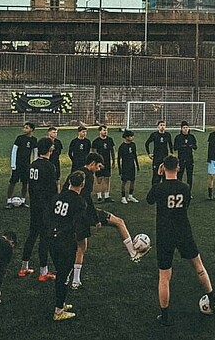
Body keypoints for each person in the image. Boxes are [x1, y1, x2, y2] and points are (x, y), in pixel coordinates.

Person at [147, 155, 215, 326]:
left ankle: (165, 317)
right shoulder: (185, 187)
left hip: (164, 234)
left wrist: (157, 176)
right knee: (198, 266)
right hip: (183, 231)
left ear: (163, 167)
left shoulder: (159, 188)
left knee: (164, 276)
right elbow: (186, 204)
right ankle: (212, 298)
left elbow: (149, 199)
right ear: (178, 168)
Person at [69, 152, 146, 289]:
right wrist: (95, 218)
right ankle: (133, 254)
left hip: (72, 214)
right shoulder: (88, 175)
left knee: (80, 246)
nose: (99, 169)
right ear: (92, 163)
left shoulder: (76, 173)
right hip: (85, 213)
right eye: (98, 166)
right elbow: (86, 198)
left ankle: (75, 280)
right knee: (119, 222)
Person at [45, 172, 88, 321]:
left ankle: (61, 303)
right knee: (63, 275)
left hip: (51, 238)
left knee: (61, 272)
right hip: (65, 241)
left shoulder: (57, 197)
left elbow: (47, 216)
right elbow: (79, 225)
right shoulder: (80, 202)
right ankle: (58, 311)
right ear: (82, 184)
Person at [19, 138, 58, 281]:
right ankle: (43, 272)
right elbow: (53, 190)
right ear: (50, 150)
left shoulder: (32, 165)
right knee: (44, 238)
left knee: (32, 235)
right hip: (46, 207)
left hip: (34, 205)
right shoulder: (49, 166)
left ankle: (24, 267)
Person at [7, 122, 38, 208]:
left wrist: (34, 164)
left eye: (27, 127)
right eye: (24, 127)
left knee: (25, 183)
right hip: (17, 165)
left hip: (26, 165)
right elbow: (14, 151)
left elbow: (35, 152)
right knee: (13, 182)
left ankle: (23, 200)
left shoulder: (34, 140)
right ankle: (9, 201)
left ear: (31, 129)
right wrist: (13, 164)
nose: (24, 129)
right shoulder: (20, 138)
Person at [91, 125, 115, 203]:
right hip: (99, 163)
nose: (105, 132)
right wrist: (98, 163)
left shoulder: (110, 140)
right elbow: (94, 153)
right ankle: (99, 195)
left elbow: (112, 151)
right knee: (99, 179)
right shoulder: (96, 141)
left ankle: (107, 195)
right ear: (100, 131)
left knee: (107, 179)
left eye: (106, 130)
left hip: (107, 162)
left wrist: (113, 161)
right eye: (104, 130)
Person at [145, 121, 173, 186]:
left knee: (165, 175)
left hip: (165, 158)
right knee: (156, 176)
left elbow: (170, 144)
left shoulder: (167, 135)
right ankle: (154, 191)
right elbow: (147, 143)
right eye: (161, 125)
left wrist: (171, 153)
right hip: (157, 158)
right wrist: (149, 153)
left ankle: (164, 191)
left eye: (164, 125)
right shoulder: (154, 135)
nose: (162, 127)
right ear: (158, 126)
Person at [118, 130, 140, 204]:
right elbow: (118, 159)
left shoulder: (133, 145)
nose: (132, 138)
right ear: (126, 137)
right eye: (130, 136)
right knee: (124, 182)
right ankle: (123, 197)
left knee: (132, 180)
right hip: (125, 166)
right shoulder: (122, 146)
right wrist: (120, 170)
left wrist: (137, 165)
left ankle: (130, 196)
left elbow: (135, 155)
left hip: (132, 166)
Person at [173, 122, 197, 187]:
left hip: (189, 159)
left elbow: (195, 147)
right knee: (179, 175)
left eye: (186, 127)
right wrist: (182, 146)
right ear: (181, 129)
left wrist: (191, 146)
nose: (185, 129)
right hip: (181, 159)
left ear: (189, 128)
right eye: (184, 128)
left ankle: (189, 191)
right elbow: (175, 148)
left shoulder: (191, 137)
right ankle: (179, 190)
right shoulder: (178, 137)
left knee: (189, 176)